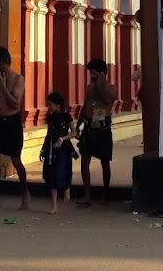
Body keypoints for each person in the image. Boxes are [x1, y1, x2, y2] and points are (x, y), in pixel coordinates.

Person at [0, 45, 30, 212]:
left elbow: (16, 103)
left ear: (6, 62)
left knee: (16, 161)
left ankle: (25, 192)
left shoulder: (18, 79)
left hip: (12, 122)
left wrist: (3, 86)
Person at [77, 58, 117, 204]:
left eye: (94, 74)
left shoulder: (112, 88)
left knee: (105, 163)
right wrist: (78, 125)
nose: (91, 77)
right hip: (89, 127)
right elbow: (85, 106)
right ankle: (87, 194)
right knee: (84, 161)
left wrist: (99, 84)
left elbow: (107, 99)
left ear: (101, 74)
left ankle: (105, 194)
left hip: (103, 128)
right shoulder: (88, 88)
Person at [40, 91, 76, 214]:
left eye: (50, 105)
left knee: (61, 171)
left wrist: (62, 139)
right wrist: (43, 148)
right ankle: (54, 205)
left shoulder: (66, 116)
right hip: (51, 148)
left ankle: (67, 188)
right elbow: (48, 133)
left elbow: (74, 132)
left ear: (58, 105)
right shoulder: (50, 118)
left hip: (63, 148)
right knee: (50, 174)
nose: (49, 107)